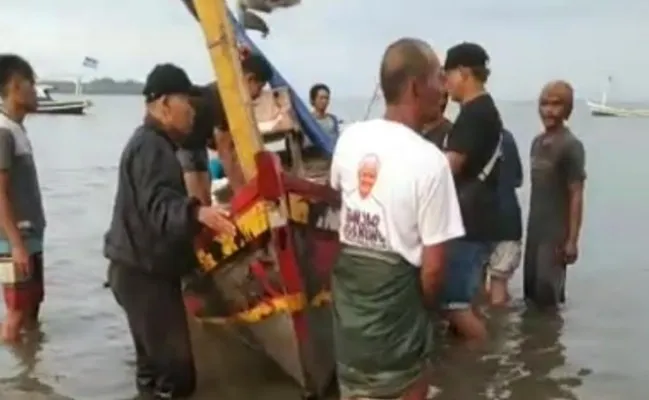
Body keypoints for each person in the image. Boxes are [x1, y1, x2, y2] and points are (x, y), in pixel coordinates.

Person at [330, 38, 465, 400]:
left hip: (351, 309)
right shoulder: (430, 161)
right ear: (415, 87)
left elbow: (340, 206)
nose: (445, 88)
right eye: (439, 78)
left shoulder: (349, 139)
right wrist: (417, 311)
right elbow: (434, 270)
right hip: (396, 309)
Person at [104, 63, 236, 399]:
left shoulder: (147, 142)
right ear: (164, 105)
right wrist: (199, 211)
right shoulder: (153, 147)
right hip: (144, 276)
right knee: (176, 377)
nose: (192, 112)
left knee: (152, 373)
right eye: (187, 104)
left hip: (131, 270)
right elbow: (159, 208)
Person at [441, 42, 503, 344]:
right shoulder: (485, 110)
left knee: (455, 306)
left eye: (447, 75)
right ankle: (473, 370)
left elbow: (449, 166)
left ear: (464, 72)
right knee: (468, 300)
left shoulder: (474, 113)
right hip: (480, 219)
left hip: (469, 223)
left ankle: (480, 365)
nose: (445, 83)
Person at [177, 52, 273, 200]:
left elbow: (225, 145)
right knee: (198, 199)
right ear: (249, 79)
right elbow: (225, 152)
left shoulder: (228, 90)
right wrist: (242, 195)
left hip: (198, 141)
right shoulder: (228, 99)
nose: (259, 95)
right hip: (182, 141)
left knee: (205, 196)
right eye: (259, 88)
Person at [525, 80, 585, 310]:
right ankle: (536, 344)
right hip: (535, 231)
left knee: (548, 296)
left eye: (556, 104)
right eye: (544, 104)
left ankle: (551, 343)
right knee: (530, 295)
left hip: (555, 235)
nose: (549, 110)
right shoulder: (537, 143)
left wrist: (572, 240)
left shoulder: (571, 146)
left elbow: (576, 193)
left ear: (567, 109)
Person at [0, 55, 45, 343]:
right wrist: (16, 244)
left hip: (28, 237)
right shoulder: (4, 132)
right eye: (32, 84)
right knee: (16, 312)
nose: (36, 91)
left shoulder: (17, 130)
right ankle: (12, 385)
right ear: (16, 87)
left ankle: (28, 376)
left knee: (31, 307)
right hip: (14, 240)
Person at [485, 128, 523, 306]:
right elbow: (518, 179)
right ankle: (502, 332)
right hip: (508, 220)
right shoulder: (507, 137)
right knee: (499, 286)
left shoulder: (465, 138)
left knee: (475, 290)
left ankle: (486, 331)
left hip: (477, 222)